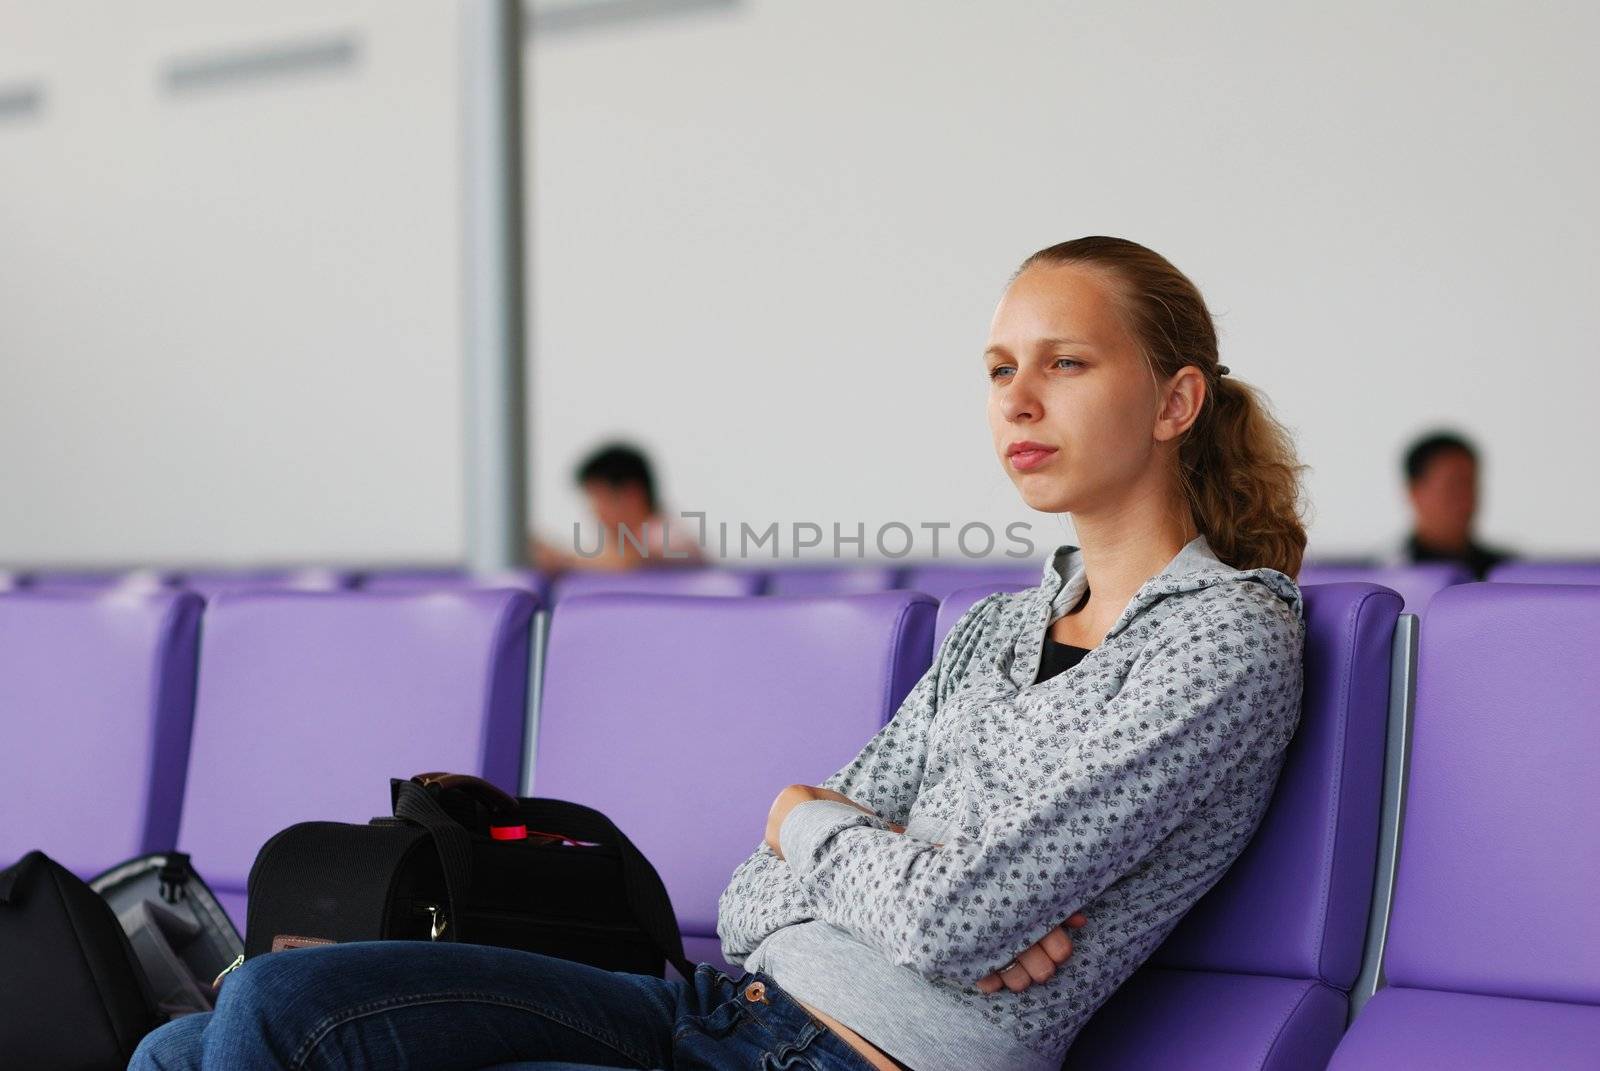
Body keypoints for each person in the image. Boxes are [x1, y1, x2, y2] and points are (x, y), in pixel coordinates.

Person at [131, 237, 1307, 1071]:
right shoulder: (1001, 627)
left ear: (1174, 401)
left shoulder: (1224, 638)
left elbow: (947, 915)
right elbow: (753, 901)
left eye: (1066, 363)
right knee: (193, 1038)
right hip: (721, 1006)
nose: (1017, 400)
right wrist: (896, 884)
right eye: (1000, 369)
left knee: (273, 1023)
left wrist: (810, 820)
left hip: (849, 1057)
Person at [529, 442, 704, 572]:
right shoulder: (624, 543)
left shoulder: (669, 533)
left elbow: (631, 560)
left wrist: (562, 559)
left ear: (632, 495)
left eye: (599, 501)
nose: (595, 513)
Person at [1395, 431, 1511, 580]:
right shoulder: (1386, 578)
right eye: (1452, 486)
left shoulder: (1505, 573)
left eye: (1469, 485)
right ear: (1414, 492)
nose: (1464, 498)